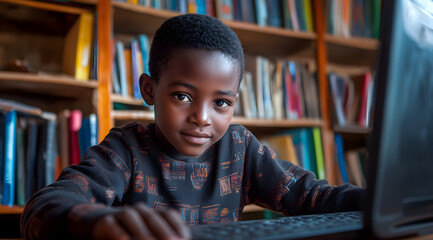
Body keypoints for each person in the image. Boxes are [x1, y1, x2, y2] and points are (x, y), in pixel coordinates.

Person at [21, 14, 363, 240]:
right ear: (149, 90)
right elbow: (44, 206)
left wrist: (384, 199)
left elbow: (313, 197)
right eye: (183, 96)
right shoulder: (126, 149)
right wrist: (90, 220)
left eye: (221, 103)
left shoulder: (240, 149)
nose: (202, 117)